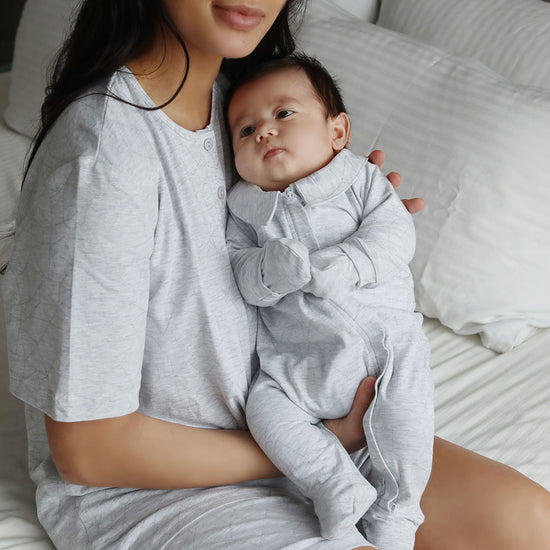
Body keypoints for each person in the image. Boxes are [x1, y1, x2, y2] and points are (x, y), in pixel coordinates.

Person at [1, 1, 549, 549]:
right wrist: (312, 448)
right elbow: (90, 451)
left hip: (308, 408)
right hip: (155, 486)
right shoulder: (104, 153)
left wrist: (345, 228)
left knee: (530, 521)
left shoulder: (242, 101)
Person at [225, 54, 433, 549]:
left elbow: (395, 235)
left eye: (284, 114)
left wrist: (348, 262)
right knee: (263, 410)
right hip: (297, 366)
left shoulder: (360, 180)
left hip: (388, 349)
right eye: (245, 130)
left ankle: (397, 510)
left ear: (337, 132)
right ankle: (334, 485)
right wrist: (269, 270)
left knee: (407, 426)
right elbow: (240, 274)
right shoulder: (245, 211)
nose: (264, 132)